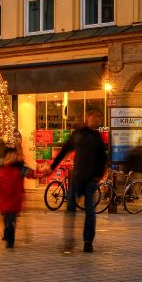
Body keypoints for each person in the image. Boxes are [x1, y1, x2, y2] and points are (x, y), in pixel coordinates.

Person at [48, 108, 107, 254]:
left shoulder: (97, 137)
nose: (98, 119)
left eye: (100, 117)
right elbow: (64, 150)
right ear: (88, 117)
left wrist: (97, 176)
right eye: (96, 116)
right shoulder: (78, 134)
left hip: (90, 180)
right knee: (70, 210)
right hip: (77, 178)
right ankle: (68, 241)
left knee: (90, 212)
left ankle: (88, 242)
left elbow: (103, 158)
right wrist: (52, 167)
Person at [0, 146, 27, 249]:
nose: (12, 157)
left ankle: (10, 240)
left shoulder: (19, 168)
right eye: (10, 155)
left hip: (15, 198)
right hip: (3, 198)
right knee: (6, 219)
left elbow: (32, 174)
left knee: (11, 220)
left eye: (14, 155)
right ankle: (7, 232)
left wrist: (44, 170)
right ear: (5, 156)